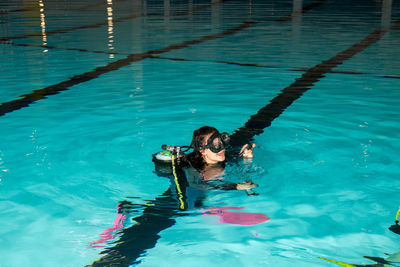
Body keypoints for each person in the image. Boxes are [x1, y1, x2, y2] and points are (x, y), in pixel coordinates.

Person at [182, 126, 257, 191]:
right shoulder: (192, 167)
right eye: (215, 145)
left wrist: (246, 158)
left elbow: (237, 160)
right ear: (202, 151)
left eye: (222, 141)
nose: (222, 148)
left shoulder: (222, 155)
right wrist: (236, 186)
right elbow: (196, 186)